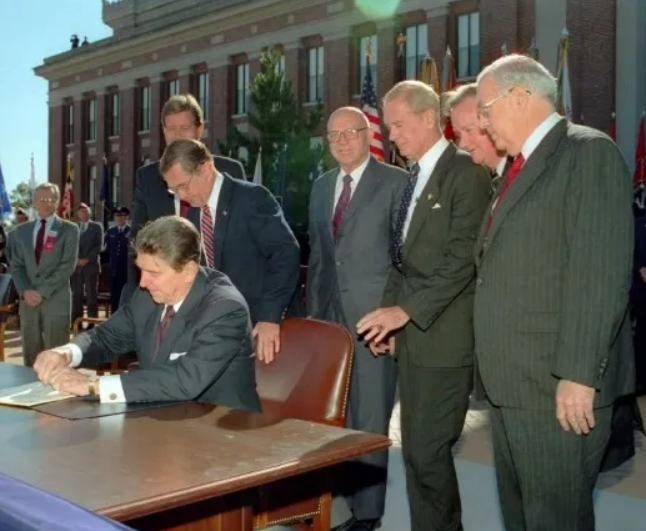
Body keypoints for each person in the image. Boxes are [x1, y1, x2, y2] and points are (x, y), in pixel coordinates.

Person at [474, 54, 634, 530]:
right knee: (524, 517)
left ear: (520, 97)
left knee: (555, 521)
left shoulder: (587, 153)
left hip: (555, 387)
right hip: (513, 385)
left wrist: (579, 375)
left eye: (485, 108)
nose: (481, 122)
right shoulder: (519, 167)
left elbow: (598, 274)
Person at [356, 80, 490, 531]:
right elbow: (401, 259)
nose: (390, 135)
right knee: (416, 454)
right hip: (414, 341)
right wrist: (388, 320)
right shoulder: (414, 177)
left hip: (445, 341)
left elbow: (462, 260)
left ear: (429, 119)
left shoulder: (466, 173)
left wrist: (405, 312)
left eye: (397, 125)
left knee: (427, 455)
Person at [33, 216, 261, 413]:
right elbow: (105, 337)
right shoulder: (148, 297)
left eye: (154, 272)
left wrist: (93, 385)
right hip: (162, 420)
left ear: (189, 271)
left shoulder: (225, 308)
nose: (143, 282)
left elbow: (186, 380)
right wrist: (65, 353)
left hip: (222, 435)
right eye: (141, 270)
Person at [307, 107, 406, 531]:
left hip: (375, 321)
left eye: (352, 132)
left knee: (370, 416)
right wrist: (313, 320)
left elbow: (405, 259)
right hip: (330, 322)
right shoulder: (321, 187)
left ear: (369, 135)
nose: (343, 141)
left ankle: (369, 516)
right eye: (335, 136)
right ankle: (346, 496)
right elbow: (319, 258)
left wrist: (395, 319)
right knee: (337, 414)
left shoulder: (397, 183)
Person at [160, 138, 300, 364]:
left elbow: (286, 254)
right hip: (225, 329)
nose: (181, 196)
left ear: (205, 168)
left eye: (183, 186)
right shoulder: (195, 213)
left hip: (264, 329)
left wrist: (269, 317)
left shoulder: (252, 198)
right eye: (174, 190)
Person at [125, 94, 246, 303]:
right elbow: (138, 238)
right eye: (171, 129)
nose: (177, 136)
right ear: (163, 131)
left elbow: (243, 239)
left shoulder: (228, 171)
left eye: (184, 128)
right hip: (169, 292)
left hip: (219, 292)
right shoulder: (147, 178)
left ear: (199, 130)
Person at [6, 183, 79, 367]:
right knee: (31, 351)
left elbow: (67, 266)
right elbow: (16, 265)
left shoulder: (69, 229)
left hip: (56, 298)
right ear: (34, 202)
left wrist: (42, 292)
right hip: (28, 300)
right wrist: (25, 291)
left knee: (56, 352)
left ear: (57, 202)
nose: (46, 203)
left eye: (50, 199)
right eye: (41, 199)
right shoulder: (20, 232)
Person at [444, 83, 507, 191]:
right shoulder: (491, 180)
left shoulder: (524, 175)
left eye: (469, 130)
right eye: (458, 135)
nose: (462, 144)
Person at [71, 203, 103, 323]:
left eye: (85, 211)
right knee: (77, 295)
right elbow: (70, 246)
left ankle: (91, 322)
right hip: (77, 266)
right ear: (78, 214)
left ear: (89, 213)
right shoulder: (74, 227)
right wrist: (76, 260)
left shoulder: (96, 227)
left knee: (91, 295)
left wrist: (87, 259)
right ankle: (76, 322)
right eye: (81, 212)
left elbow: (98, 246)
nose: (83, 213)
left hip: (91, 265)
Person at [104, 206, 130, 313]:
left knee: (126, 295)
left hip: (127, 270)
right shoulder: (111, 231)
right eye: (117, 216)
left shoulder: (131, 231)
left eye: (122, 216)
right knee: (114, 296)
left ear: (126, 217)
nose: (119, 218)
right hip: (114, 269)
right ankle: (113, 317)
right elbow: (106, 250)